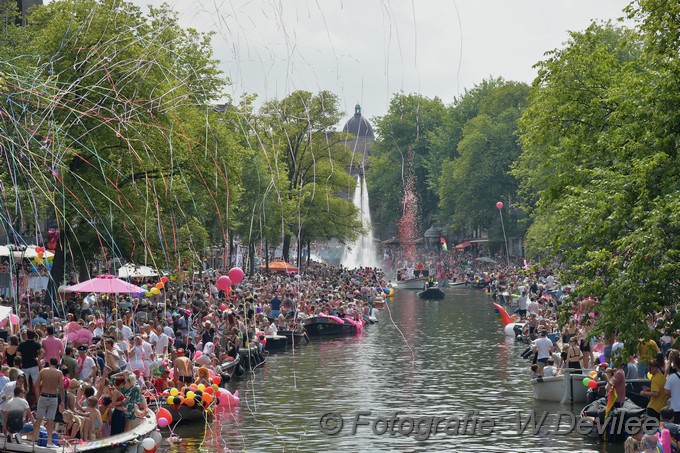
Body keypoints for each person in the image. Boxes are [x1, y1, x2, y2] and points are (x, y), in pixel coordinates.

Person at [31, 357, 64, 446]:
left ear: (49, 362)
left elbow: (37, 385)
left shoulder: (43, 371)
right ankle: (49, 441)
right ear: (56, 363)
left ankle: (33, 440)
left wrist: (38, 397)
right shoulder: (59, 373)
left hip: (43, 395)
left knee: (38, 419)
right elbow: (61, 388)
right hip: (53, 397)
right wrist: (62, 401)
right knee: (51, 419)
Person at [16, 329, 43, 403]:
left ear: (27, 335)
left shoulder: (22, 344)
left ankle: (24, 400)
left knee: (24, 384)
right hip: (34, 365)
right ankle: (38, 401)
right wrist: (38, 359)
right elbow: (42, 351)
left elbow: (18, 355)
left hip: (25, 366)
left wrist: (20, 362)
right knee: (36, 385)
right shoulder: (36, 343)